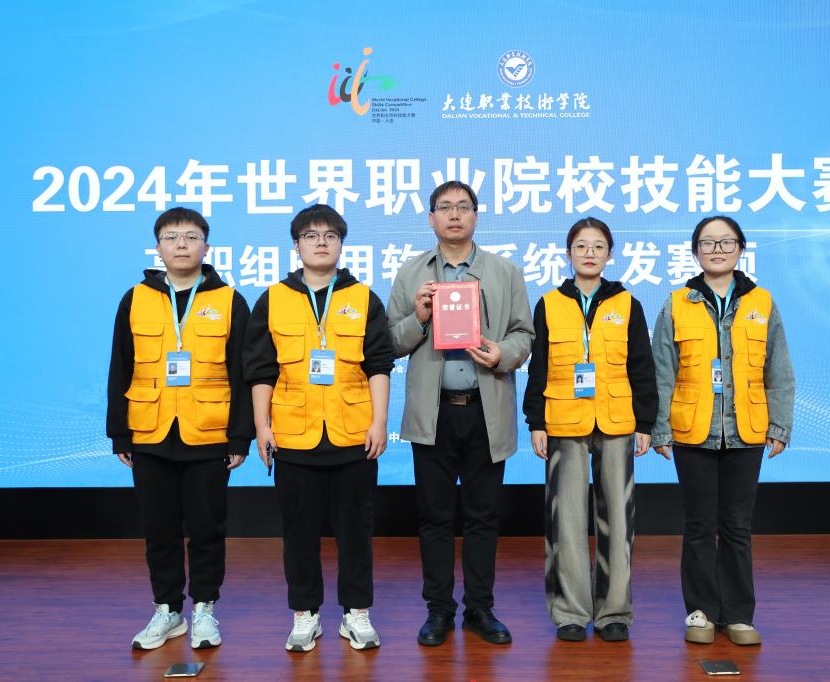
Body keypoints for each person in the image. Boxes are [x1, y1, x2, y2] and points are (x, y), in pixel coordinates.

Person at [388, 180, 534, 646]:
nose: (454, 214)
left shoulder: (504, 272)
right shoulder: (412, 273)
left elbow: (524, 335)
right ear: (431, 218)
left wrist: (503, 353)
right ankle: (438, 611)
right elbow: (389, 342)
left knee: (483, 518)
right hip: (432, 415)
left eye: (463, 206)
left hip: (485, 411)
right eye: (445, 207)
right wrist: (419, 318)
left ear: (476, 215)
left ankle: (480, 609)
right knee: (433, 518)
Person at [243, 204, 392, 653]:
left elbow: (378, 364)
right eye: (311, 235)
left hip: (353, 433)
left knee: (356, 531)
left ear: (341, 244)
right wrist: (261, 425)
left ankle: (356, 612)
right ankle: (305, 614)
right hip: (294, 433)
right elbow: (261, 369)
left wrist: (379, 421)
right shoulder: (273, 299)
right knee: (299, 533)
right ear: (297, 245)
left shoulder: (363, 298)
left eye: (330, 235)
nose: (321, 242)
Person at [107, 206, 252, 650]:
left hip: (208, 431)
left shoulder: (229, 300)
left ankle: (204, 608)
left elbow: (242, 372)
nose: (182, 244)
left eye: (191, 236)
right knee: (159, 529)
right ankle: (167, 610)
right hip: (150, 431)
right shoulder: (135, 298)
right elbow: (120, 366)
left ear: (206, 246)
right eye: (171, 237)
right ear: (158, 248)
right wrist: (119, 433)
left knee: (207, 528)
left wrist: (240, 435)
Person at [651, 216, 795, 646]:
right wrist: (660, 429)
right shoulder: (677, 303)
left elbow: (778, 369)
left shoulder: (762, 302)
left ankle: (737, 614)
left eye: (726, 242)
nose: (717, 250)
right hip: (692, 430)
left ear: (741, 248)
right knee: (698, 524)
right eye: (708, 243)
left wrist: (779, 424)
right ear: (695, 251)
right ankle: (700, 612)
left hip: (746, 430)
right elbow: (662, 370)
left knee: (737, 526)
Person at [523, 217, 658, 642]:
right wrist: (536, 421)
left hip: (617, 420)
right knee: (565, 519)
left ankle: (614, 612)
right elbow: (539, 367)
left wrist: (646, 422)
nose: (589, 253)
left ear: (609, 254)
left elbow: (641, 366)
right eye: (581, 246)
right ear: (568, 254)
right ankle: (570, 612)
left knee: (618, 516)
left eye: (598, 246)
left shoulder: (628, 304)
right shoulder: (549, 304)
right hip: (563, 419)